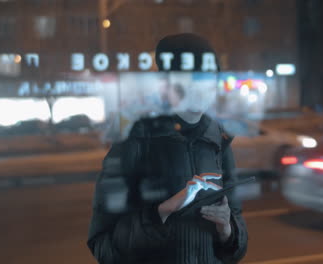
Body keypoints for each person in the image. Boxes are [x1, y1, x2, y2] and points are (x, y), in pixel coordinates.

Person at [87, 33, 248, 264]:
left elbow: (236, 248)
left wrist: (227, 230)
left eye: (209, 77)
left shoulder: (217, 141)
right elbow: (102, 245)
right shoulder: (136, 140)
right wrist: (161, 213)